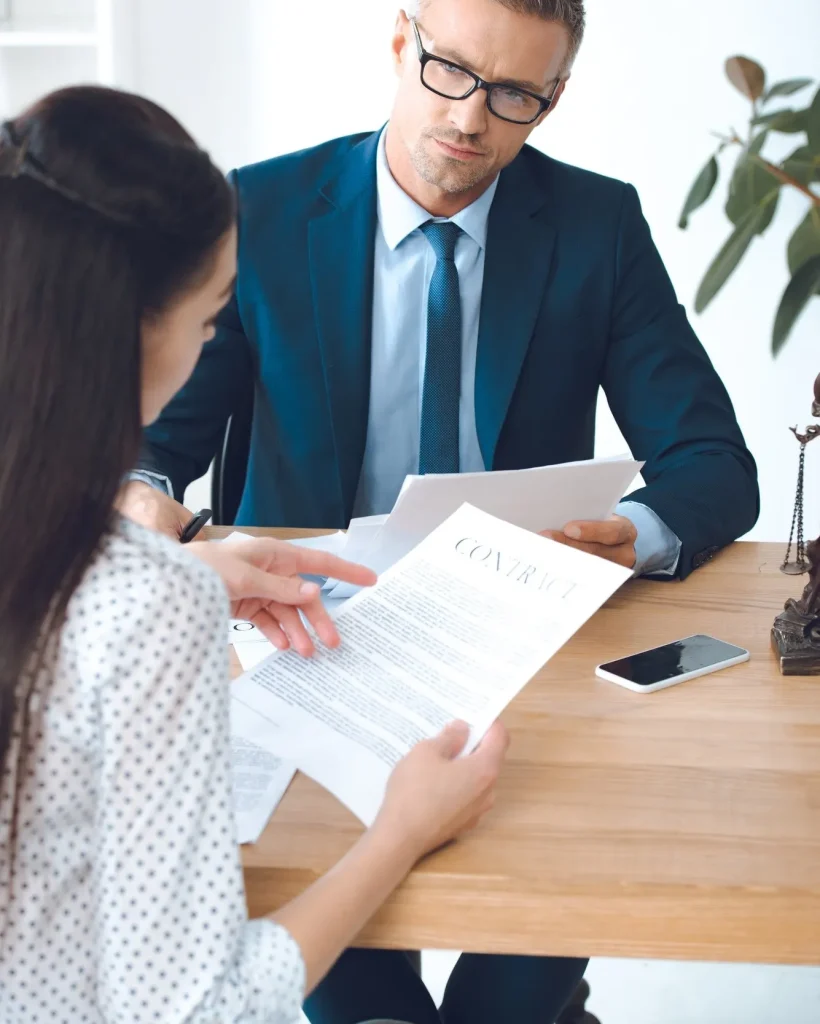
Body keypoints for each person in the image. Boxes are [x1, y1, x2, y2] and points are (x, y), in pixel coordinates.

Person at [122, 0, 759, 1021]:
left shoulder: (594, 227)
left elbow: (711, 460)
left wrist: (631, 534)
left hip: (517, 656)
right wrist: (146, 503)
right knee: (361, 992)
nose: (469, 117)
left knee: (514, 988)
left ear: (552, 99)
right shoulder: (263, 212)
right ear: (397, 45)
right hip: (306, 640)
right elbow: (157, 445)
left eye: (512, 93)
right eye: (449, 70)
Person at [0, 85, 510, 1024]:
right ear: (129, 331)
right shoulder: (143, 605)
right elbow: (204, 1009)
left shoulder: (100, 577)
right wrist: (401, 832)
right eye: (207, 322)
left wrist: (180, 572)